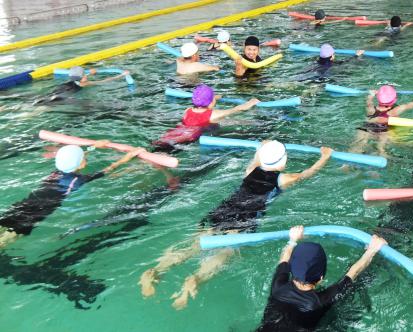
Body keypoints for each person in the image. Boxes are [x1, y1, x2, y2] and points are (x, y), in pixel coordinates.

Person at [139, 141, 334, 309]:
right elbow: (308, 173)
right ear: (283, 161)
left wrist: (262, 148)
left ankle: (156, 270)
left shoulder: (250, 170)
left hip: (222, 210)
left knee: (195, 245)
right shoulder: (283, 179)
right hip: (244, 218)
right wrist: (325, 157)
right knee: (227, 251)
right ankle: (195, 278)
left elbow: (257, 160)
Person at [0, 142, 144, 248]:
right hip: (39, 212)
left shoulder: (56, 171)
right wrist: (127, 157)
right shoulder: (78, 180)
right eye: (83, 158)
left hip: (24, 204)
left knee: (6, 224)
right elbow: (109, 169)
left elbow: (73, 159)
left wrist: (94, 146)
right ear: (81, 165)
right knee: (11, 236)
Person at [257, 225, 387, 331]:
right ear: (320, 278)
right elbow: (353, 273)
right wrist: (372, 250)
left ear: (291, 268)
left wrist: (293, 240)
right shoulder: (320, 302)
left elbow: (284, 259)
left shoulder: (278, 287)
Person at [153, 84, 260, 150]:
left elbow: (202, 103)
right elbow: (237, 109)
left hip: (172, 135)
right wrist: (251, 102)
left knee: (159, 149)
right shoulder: (212, 114)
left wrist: (215, 97)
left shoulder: (187, 110)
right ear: (210, 102)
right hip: (187, 140)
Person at [350, 86, 413, 155]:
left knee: (358, 145)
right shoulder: (395, 110)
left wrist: (371, 95)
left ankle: (345, 165)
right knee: (381, 149)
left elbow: (368, 102)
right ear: (394, 100)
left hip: (366, 128)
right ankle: (379, 166)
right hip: (383, 131)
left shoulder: (371, 109)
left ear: (378, 98)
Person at [33, 66, 130, 105]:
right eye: (84, 74)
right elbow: (104, 81)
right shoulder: (85, 83)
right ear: (83, 77)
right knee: (49, 104)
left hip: (59, 90)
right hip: (63, 96)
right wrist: (122, 75)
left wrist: (90, 74)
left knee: (45, 99)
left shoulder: (72, 79)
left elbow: (80, 77)